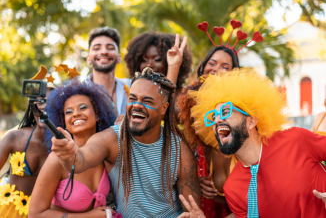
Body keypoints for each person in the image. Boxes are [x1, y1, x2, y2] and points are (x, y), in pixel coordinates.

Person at [51, 68, 201, 217]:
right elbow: (79, 161)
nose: (137, 105)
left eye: (147, 101)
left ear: (163, 109)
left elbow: (191, 211)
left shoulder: (180, 151)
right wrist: (68, 153)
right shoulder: (112, 139)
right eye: (133, 99)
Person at [188, 68, 326, 218]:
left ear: (251, 121)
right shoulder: (233, 188)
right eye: (213, 116)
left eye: (225, 112)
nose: (217, 120)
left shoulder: (296, 139)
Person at [29, 79, 117, 218]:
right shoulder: (57, 160)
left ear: (98, 114)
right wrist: (88, 216)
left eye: (83, 108)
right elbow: (35, 214)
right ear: (64, 121)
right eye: (69, 112)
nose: (75, 114)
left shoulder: (105, 154)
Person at [177, 44, 239, 218]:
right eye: (212, 63)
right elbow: (162, 109)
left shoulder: (238, 114)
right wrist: (195, 182)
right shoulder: (188, 103)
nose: (216, 69)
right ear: (203, 67)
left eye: (225, 67)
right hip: (200, 207)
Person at [0, 87, 53, 217]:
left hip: (43, 213)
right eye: (40, 101)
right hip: (8, 209)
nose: (44, 106)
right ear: (32, 106)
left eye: (51, 103)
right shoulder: (14, 137)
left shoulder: (66, 144)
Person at [86, 27, 131, 117]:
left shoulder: (132, 86)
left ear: (119, 58)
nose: (104, 52)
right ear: (88, 59)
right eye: (96, 48)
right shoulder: (79, 92)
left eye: (110, 48)